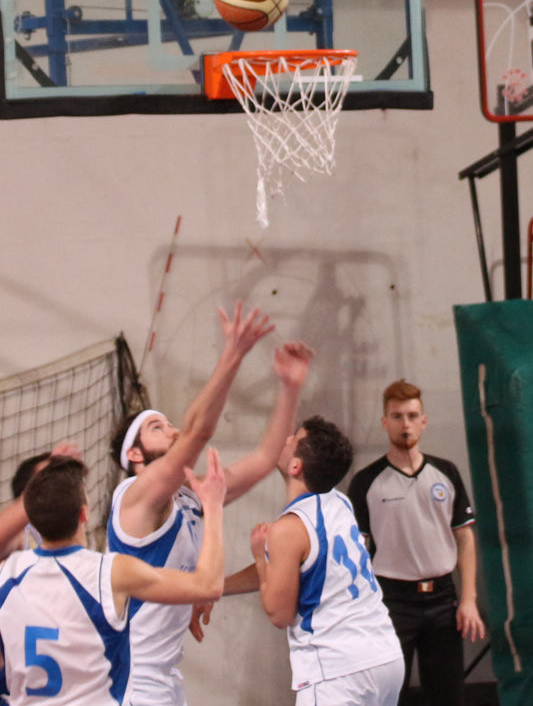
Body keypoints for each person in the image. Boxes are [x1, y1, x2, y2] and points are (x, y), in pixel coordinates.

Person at [107, 301, 314, 706]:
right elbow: (198, 432)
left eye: (170, 423)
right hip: (133, 678)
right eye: (157, 427)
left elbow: (265, 457)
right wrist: (232, 354)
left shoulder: (189, 496)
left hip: (164, 674)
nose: (172, 430)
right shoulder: (136, 497)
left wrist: (290, 389)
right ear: (134, 454)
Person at [0, 448, 226, 706]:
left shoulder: (7, 574)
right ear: (84, 514)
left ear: (32, 520)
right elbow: (209, 585)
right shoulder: (109, 572)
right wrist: (214, 506)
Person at [226, 415, 404, 706]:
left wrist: (259, 556)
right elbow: (284, 569)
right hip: (385, 656)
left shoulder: (288, 529)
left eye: (293, 439)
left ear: (296, 466)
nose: (285, 439)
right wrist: (216, 588)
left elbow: (279, 614)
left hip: (338, 669)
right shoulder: (340, 502)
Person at [347, 379, 485, 706]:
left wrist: (468, 599)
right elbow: (355, 552)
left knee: (447, 695)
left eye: (412, 416)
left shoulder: (446, 473)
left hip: (443, 599)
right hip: (391, 602)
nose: (405, 424)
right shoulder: (366, 482)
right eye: (397, 416)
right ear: (385, 422)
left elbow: (464, 538)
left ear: (424, 420)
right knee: (387, 695)